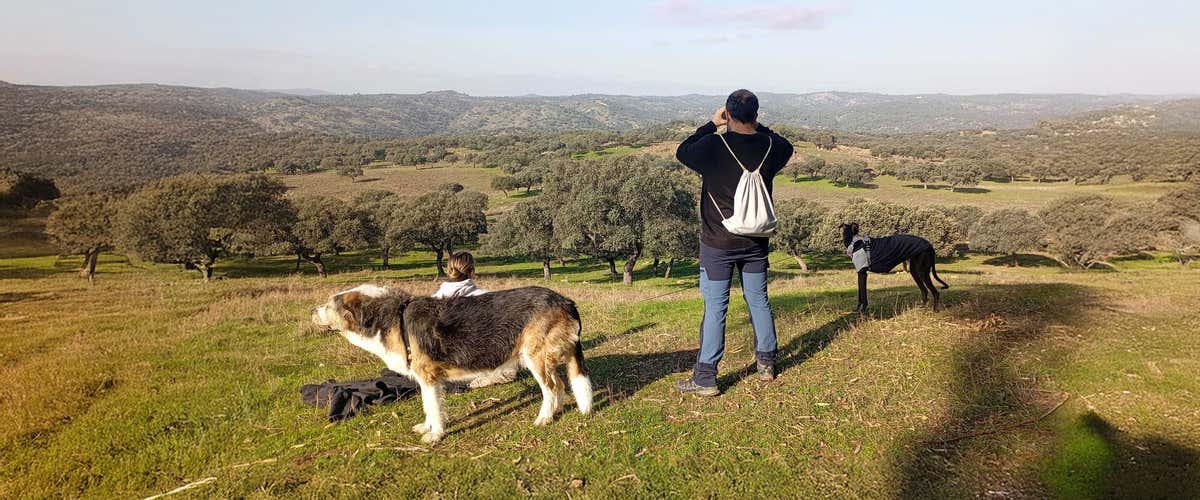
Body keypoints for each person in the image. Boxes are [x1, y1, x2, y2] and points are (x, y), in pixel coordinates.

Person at [673, 89, 794, 396]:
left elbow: (683, 151)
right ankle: (766, 363)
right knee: (759, 300)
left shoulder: (714, 144)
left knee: (716, 307)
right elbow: (786, 144)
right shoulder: (771, 145)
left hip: (718, 243)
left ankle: (706, 377)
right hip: (756, 242)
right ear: (756, 114)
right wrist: (759, 126)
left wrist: (712, 124)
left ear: (727, 114)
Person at [432, 251, 516, 387]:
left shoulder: (433, 302)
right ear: (472, 272)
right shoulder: (487, 299)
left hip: (444, 365)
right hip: (478, 363)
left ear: (449, 270)